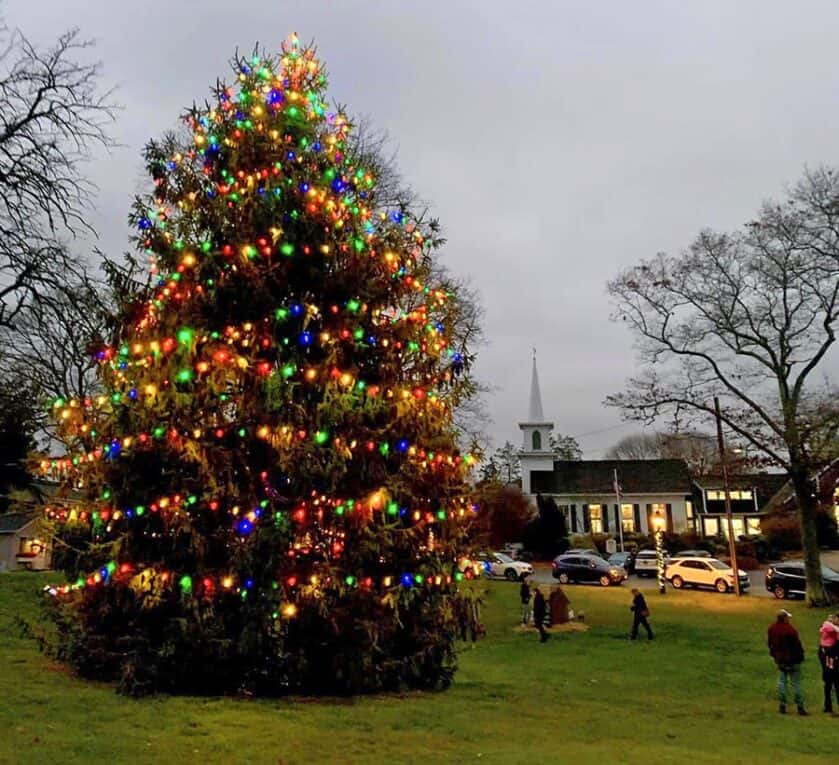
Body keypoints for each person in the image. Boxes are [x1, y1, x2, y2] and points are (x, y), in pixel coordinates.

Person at [767, 609, 807, 715]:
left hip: (780, 660)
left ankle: (782, 705)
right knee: (796, 684)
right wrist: (800, 657)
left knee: (782, 682)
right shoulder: (791, 630)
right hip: (793, 660)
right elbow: (797, 645)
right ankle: (800, 707)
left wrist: (775, 656)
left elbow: (770, 644)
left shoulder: (772, 629)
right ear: (784, 618)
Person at [818, 612, 839, 713]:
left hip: (832, 657)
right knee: (829, 682)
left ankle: (829, 706)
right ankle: (828, 705)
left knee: (832, 682)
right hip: (828, 657)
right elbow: (826, 626)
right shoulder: (831, 627)